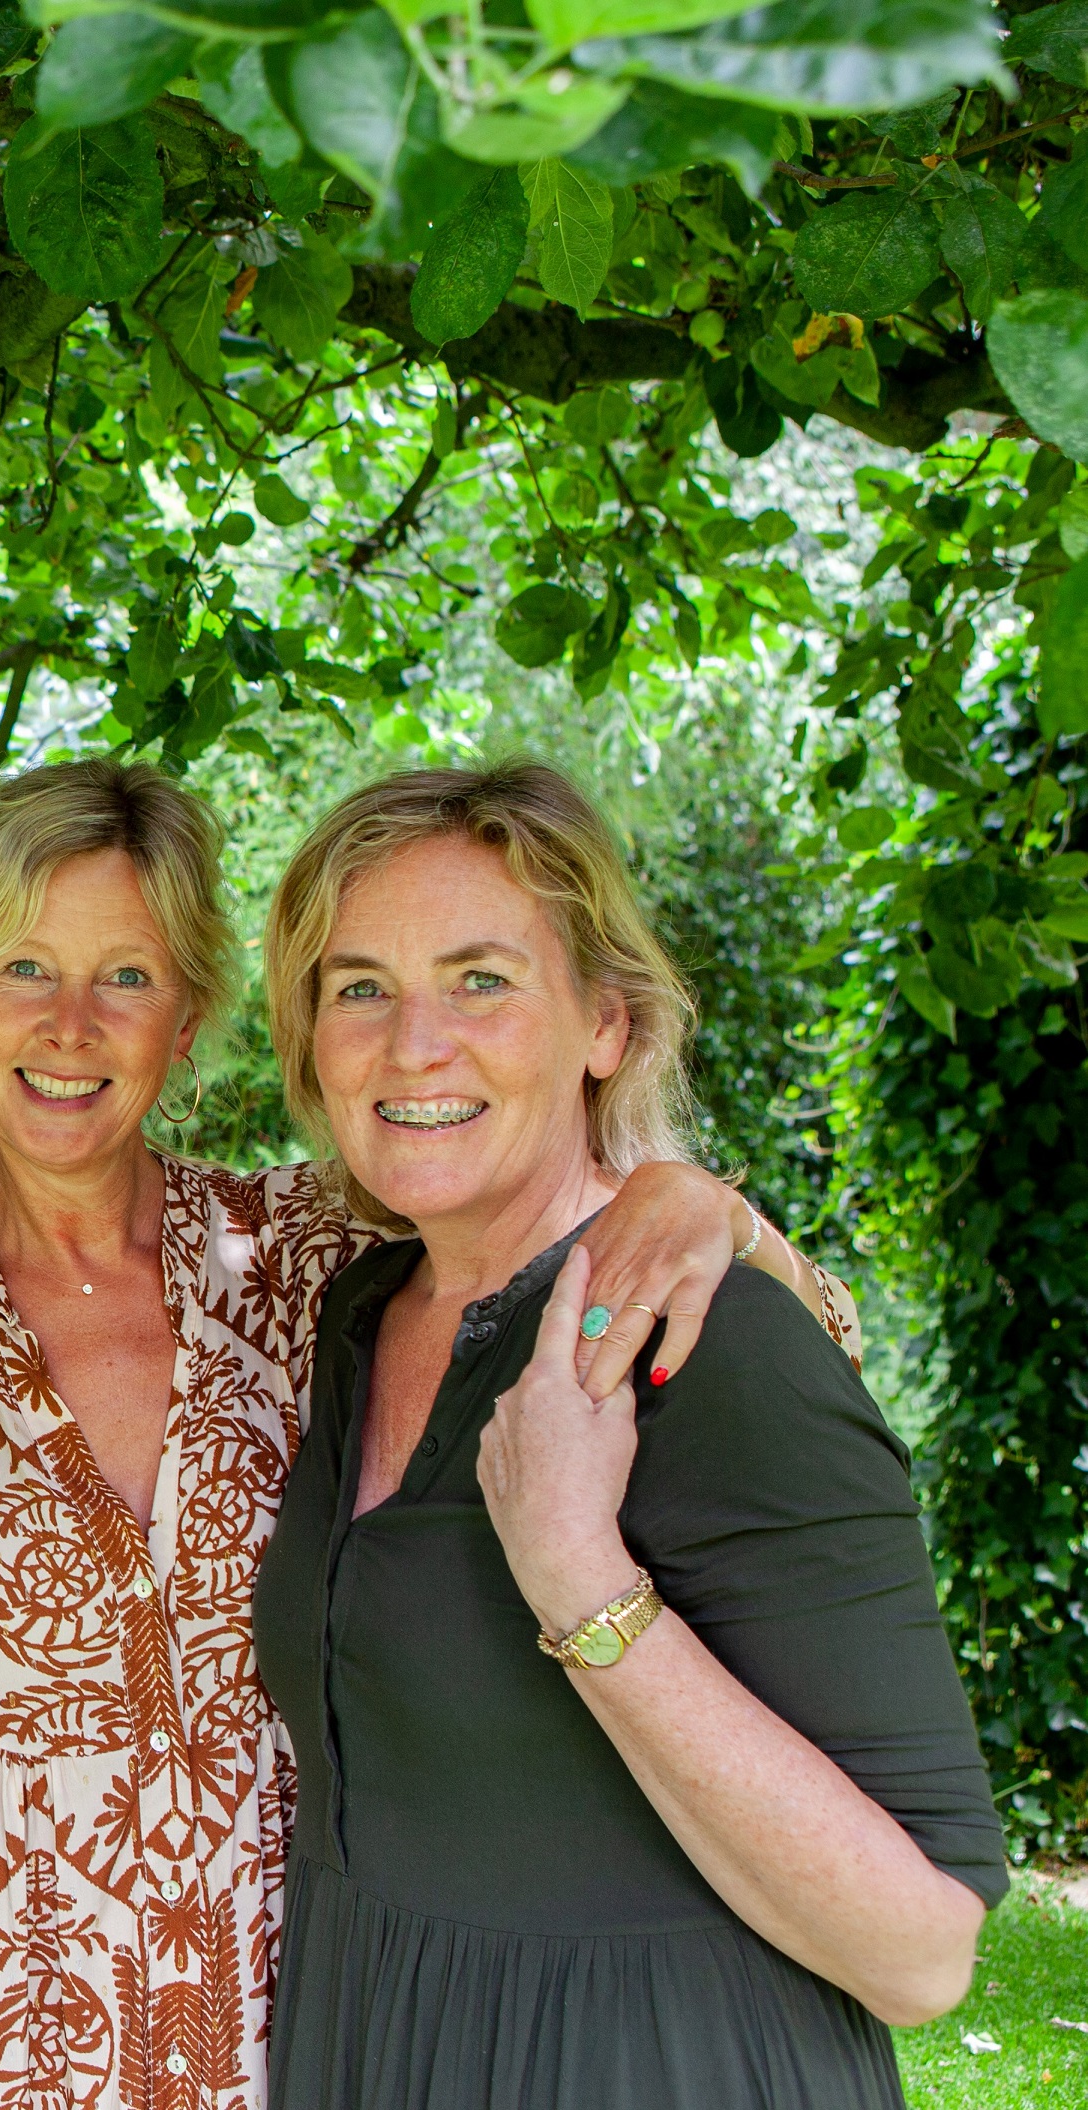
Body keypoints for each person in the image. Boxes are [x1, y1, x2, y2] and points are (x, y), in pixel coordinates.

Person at [0, 759, 859, 2110]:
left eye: (124, 974)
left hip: (298, 2032)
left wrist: (715, 1214)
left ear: (186, 1016)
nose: (69, 1024)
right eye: (20, 967)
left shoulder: (315, 1259)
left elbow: (805, 1338)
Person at [251, 761, 1001, 2110]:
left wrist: (579, 1580)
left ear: (605, 1021)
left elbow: (921, 1948)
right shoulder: (354, 1312)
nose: (412, 1044)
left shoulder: (710, 1345)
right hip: (376, 2044)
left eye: (481, 979)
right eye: (358, 987)